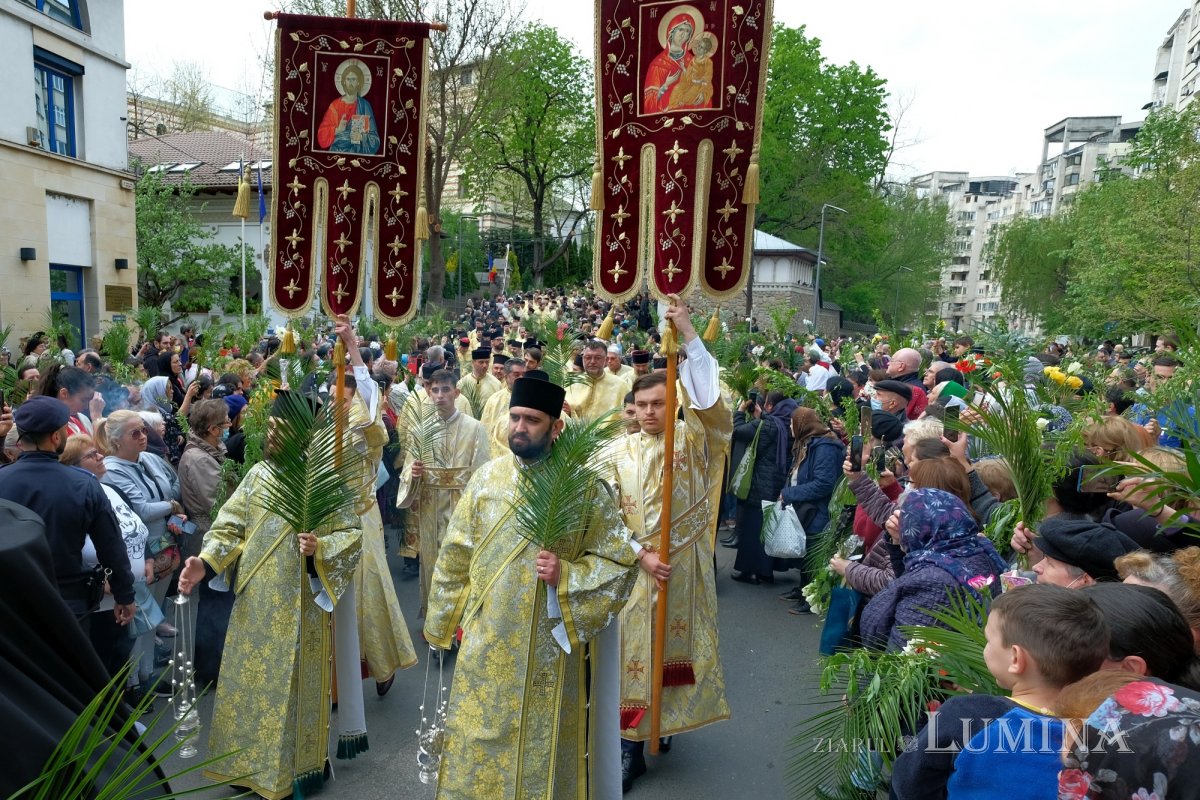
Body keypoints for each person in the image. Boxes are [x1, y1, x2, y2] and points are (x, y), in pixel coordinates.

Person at [423, 373, 638, 800]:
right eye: (515, 417)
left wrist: (568, 575)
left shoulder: (584, 489)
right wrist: (442, 623)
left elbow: (619, 562)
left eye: (532, 420)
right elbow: (456, 553)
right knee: (477, 738)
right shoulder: (486, 480)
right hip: (486, 639)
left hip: (549, 648)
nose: (519, 427)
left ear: (556, 427)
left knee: (541, 752)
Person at [177, 391, 363, 800]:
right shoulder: (259, 474)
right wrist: (205, 562)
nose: (271, 435)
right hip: (254, 602)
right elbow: (229, 526)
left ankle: (294, 771)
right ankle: (244, 767)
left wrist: (320, 548)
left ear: (303, 435)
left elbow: (352, 536)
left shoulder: (324, 482)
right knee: (247, 688)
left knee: (289, 692)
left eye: (282, 429)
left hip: (301, 609)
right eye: (272, 427)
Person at [603, 296, 732, 790]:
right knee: (631, 654)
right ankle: (629, 746)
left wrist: (690, 335)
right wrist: (639, 553)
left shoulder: (694, 438)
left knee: (672, 651)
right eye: (642, 405)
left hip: (682, 568)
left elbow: (712, 408)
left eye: (659, 404)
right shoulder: (616, 451)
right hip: (634, 568)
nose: (649, 412)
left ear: (673, 403)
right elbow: (602, 514)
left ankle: (666, 722)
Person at [892, 584, 1110, 799]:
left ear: (1015, 658)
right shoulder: (1106, 728)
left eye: (988, 640)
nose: (985, 647)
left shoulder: (968, 715)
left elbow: (908, 783)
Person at [0, 396, 135, 626]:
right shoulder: (84, 484)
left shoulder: (3, 480)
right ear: (55, 437)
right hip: (67, 606)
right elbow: (110, 545)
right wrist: (125, 594)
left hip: (12, 607)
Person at [859, 488, 1007, 651]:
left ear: (916, 528)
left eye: (907, 521)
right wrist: (897, 543)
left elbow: (901, 655)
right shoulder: (976, 549)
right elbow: (910, 575)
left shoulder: (932, 582)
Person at [60, 434, 151, 696]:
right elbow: (65, 549)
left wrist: (146, 557)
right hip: (97, 605)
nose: (101, 457)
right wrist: (101, 580)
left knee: (119, 662)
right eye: (91, 455)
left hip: (125, 596)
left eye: (98, 451)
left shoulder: (112, 489)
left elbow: (134, 526)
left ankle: (118, 712)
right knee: (100, 671)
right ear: (73, 466)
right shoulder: (72, 499)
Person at [396, 368, 491, 615]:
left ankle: (461, 619)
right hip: (430, 505)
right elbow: (408, 471)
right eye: (435, 390)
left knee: (460, 560)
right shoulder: (421, 431)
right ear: (429, 393)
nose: (439, 395)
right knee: (432, 562)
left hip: (462, 504)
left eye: (445, 390)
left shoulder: (475, 428)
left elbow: (483, 472)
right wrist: (414, 473)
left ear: (456, 393)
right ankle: (433, 619)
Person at [778, 407, 846, 613]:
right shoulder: (808, 442)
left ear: (802, 425)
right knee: (805, 550)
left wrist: (790, 493)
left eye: (792, 423)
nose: (790, 427)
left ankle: (811, 599)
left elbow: (824, 483)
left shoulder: (825, 447)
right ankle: (802, 589)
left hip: (818, 509)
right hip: (807, 507)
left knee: (813, 553)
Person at [728, 390, 797, 580]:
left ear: (770, 405)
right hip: (779, 482)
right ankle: (767, 572)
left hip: (760, 482)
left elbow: (739, 432)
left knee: (753, 527)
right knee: (769, 525)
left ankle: (751, 572)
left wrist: (740, 412)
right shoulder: (788, 422)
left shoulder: (767, 425)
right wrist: (762, 416)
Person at [316, 58, 380, 154]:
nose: (350, 82)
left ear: (359, 82)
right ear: (344, 81)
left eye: (353, 79)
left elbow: (375, 140)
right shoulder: (335, 105)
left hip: (358, 153)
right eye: (348, 79)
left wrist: (362, 137)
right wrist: (337, 130)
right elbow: (321, 135)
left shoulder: (365, 106)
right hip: (336, 153)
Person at [643, 11, 699, 113]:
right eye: (680, 29)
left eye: (687, 31)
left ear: (689, 36)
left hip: (688, 112)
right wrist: (666, 85)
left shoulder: (693, 62)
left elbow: (700, 88)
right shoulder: (657, 64)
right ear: (671, 32)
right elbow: (648, 103)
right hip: (665, 114)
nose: (683, 34)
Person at [564, 339, 632, 423]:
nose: (592, 362)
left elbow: (628, 417)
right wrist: (569, 413)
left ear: (605, 360)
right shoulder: (571, 384)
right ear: (583, 359)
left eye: (597, 358)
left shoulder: (621, 386)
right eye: (588, 358)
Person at [479, 357, 527, 458]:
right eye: (516, 375)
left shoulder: (533, 399)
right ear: (506, 376)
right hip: (496, 456)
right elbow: (485, 431)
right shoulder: (494, 400)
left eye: (524, 374)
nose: (521, 378)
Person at [665, 30, 717, 110]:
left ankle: (679, 104)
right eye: (698, 45)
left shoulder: (708, 62)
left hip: (701, 85)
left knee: (690, 94)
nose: (698, 48)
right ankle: (671, 105)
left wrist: (700, 86)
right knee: (677, 88)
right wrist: (683, 68)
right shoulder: (693, 59)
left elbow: (707, 77)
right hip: (690, 82)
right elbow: (689, 74)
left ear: (705, 51)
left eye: (701, 47)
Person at [457, 347, 503, 419]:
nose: (485, 365)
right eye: (481, 362)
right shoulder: (462, 383)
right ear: (473, 362)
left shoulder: (496, 384)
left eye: (487, 362)